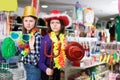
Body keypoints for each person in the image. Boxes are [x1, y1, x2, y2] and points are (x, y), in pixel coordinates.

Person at [38, 10, 72, 80]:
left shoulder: (62, 38)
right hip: (47, 71)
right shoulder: (47, 39)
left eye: (57, 22)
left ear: (61, 25)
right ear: (49, 25)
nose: (54, 25)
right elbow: (40, 62)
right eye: (52, 22)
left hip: (57, 69)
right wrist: (46, 69)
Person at [18, 6, 42, 80]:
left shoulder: (37, 36)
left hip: (33, 70)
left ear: (35, 22)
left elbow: (36, 62)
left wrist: (31, 47)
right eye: (26, 20)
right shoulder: (24, 35)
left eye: (31, 21)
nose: (28, 23)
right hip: (24, 67)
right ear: (23, 22)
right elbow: (21, 54)